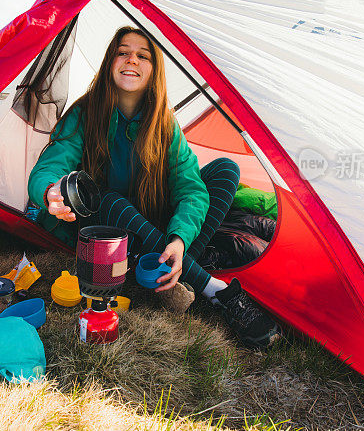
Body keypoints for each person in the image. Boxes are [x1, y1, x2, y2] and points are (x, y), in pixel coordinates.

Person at [27, 26, 280, 348]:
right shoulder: (85, 112)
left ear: (153, 69)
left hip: (149, 222)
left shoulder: (164, 122)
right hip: (103, 228)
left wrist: (179, 239)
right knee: (111, 200)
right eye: (122, 51)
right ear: (109, 63)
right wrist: (50, 191)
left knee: (225, 169)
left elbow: (190, 187)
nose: (131, 59)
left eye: (143, 55)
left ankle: (174, 264)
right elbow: (51, 165)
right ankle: (213, 289)